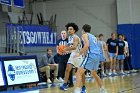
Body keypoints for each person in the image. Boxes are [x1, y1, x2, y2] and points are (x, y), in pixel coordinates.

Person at [74, 24, 107, 93]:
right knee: (94, 73)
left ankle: (77, 90)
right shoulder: (93, 37)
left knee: (78, 73)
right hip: (97, 55)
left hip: (91, 55)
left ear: (83, 30)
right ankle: (102, 89)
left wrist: (79, 53)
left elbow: (87, 45)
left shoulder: (84, 35)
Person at [60, 23, 83, 91]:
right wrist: (62, 49)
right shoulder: (70, 37)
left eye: (70, 29)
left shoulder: (75, 37)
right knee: (67, 69)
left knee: (80, 73)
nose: (69, 30)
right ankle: (65, 84)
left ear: (74, 30)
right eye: (68, 29)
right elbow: (68, 45)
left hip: (78, 55)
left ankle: (83, 86)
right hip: (73, 55)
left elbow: (74, 47)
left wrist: (65, 49)